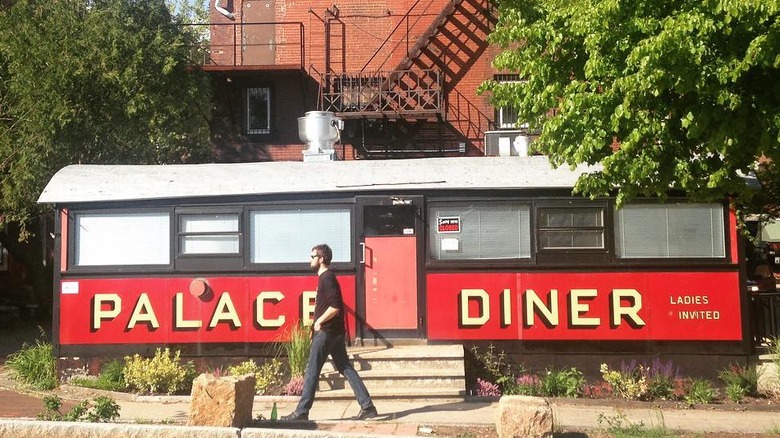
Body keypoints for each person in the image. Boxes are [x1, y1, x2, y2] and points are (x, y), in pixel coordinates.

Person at [281, 243, 378, 421]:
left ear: (322, 258)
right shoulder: (325, 278)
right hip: (334, 332)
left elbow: (335, 307)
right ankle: (368, 407)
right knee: (345, 367)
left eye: (312, 256)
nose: (310, 260)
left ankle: (302, 411)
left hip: (327, 332)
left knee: (312, 369)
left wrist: (318, 321)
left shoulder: (327, 278)